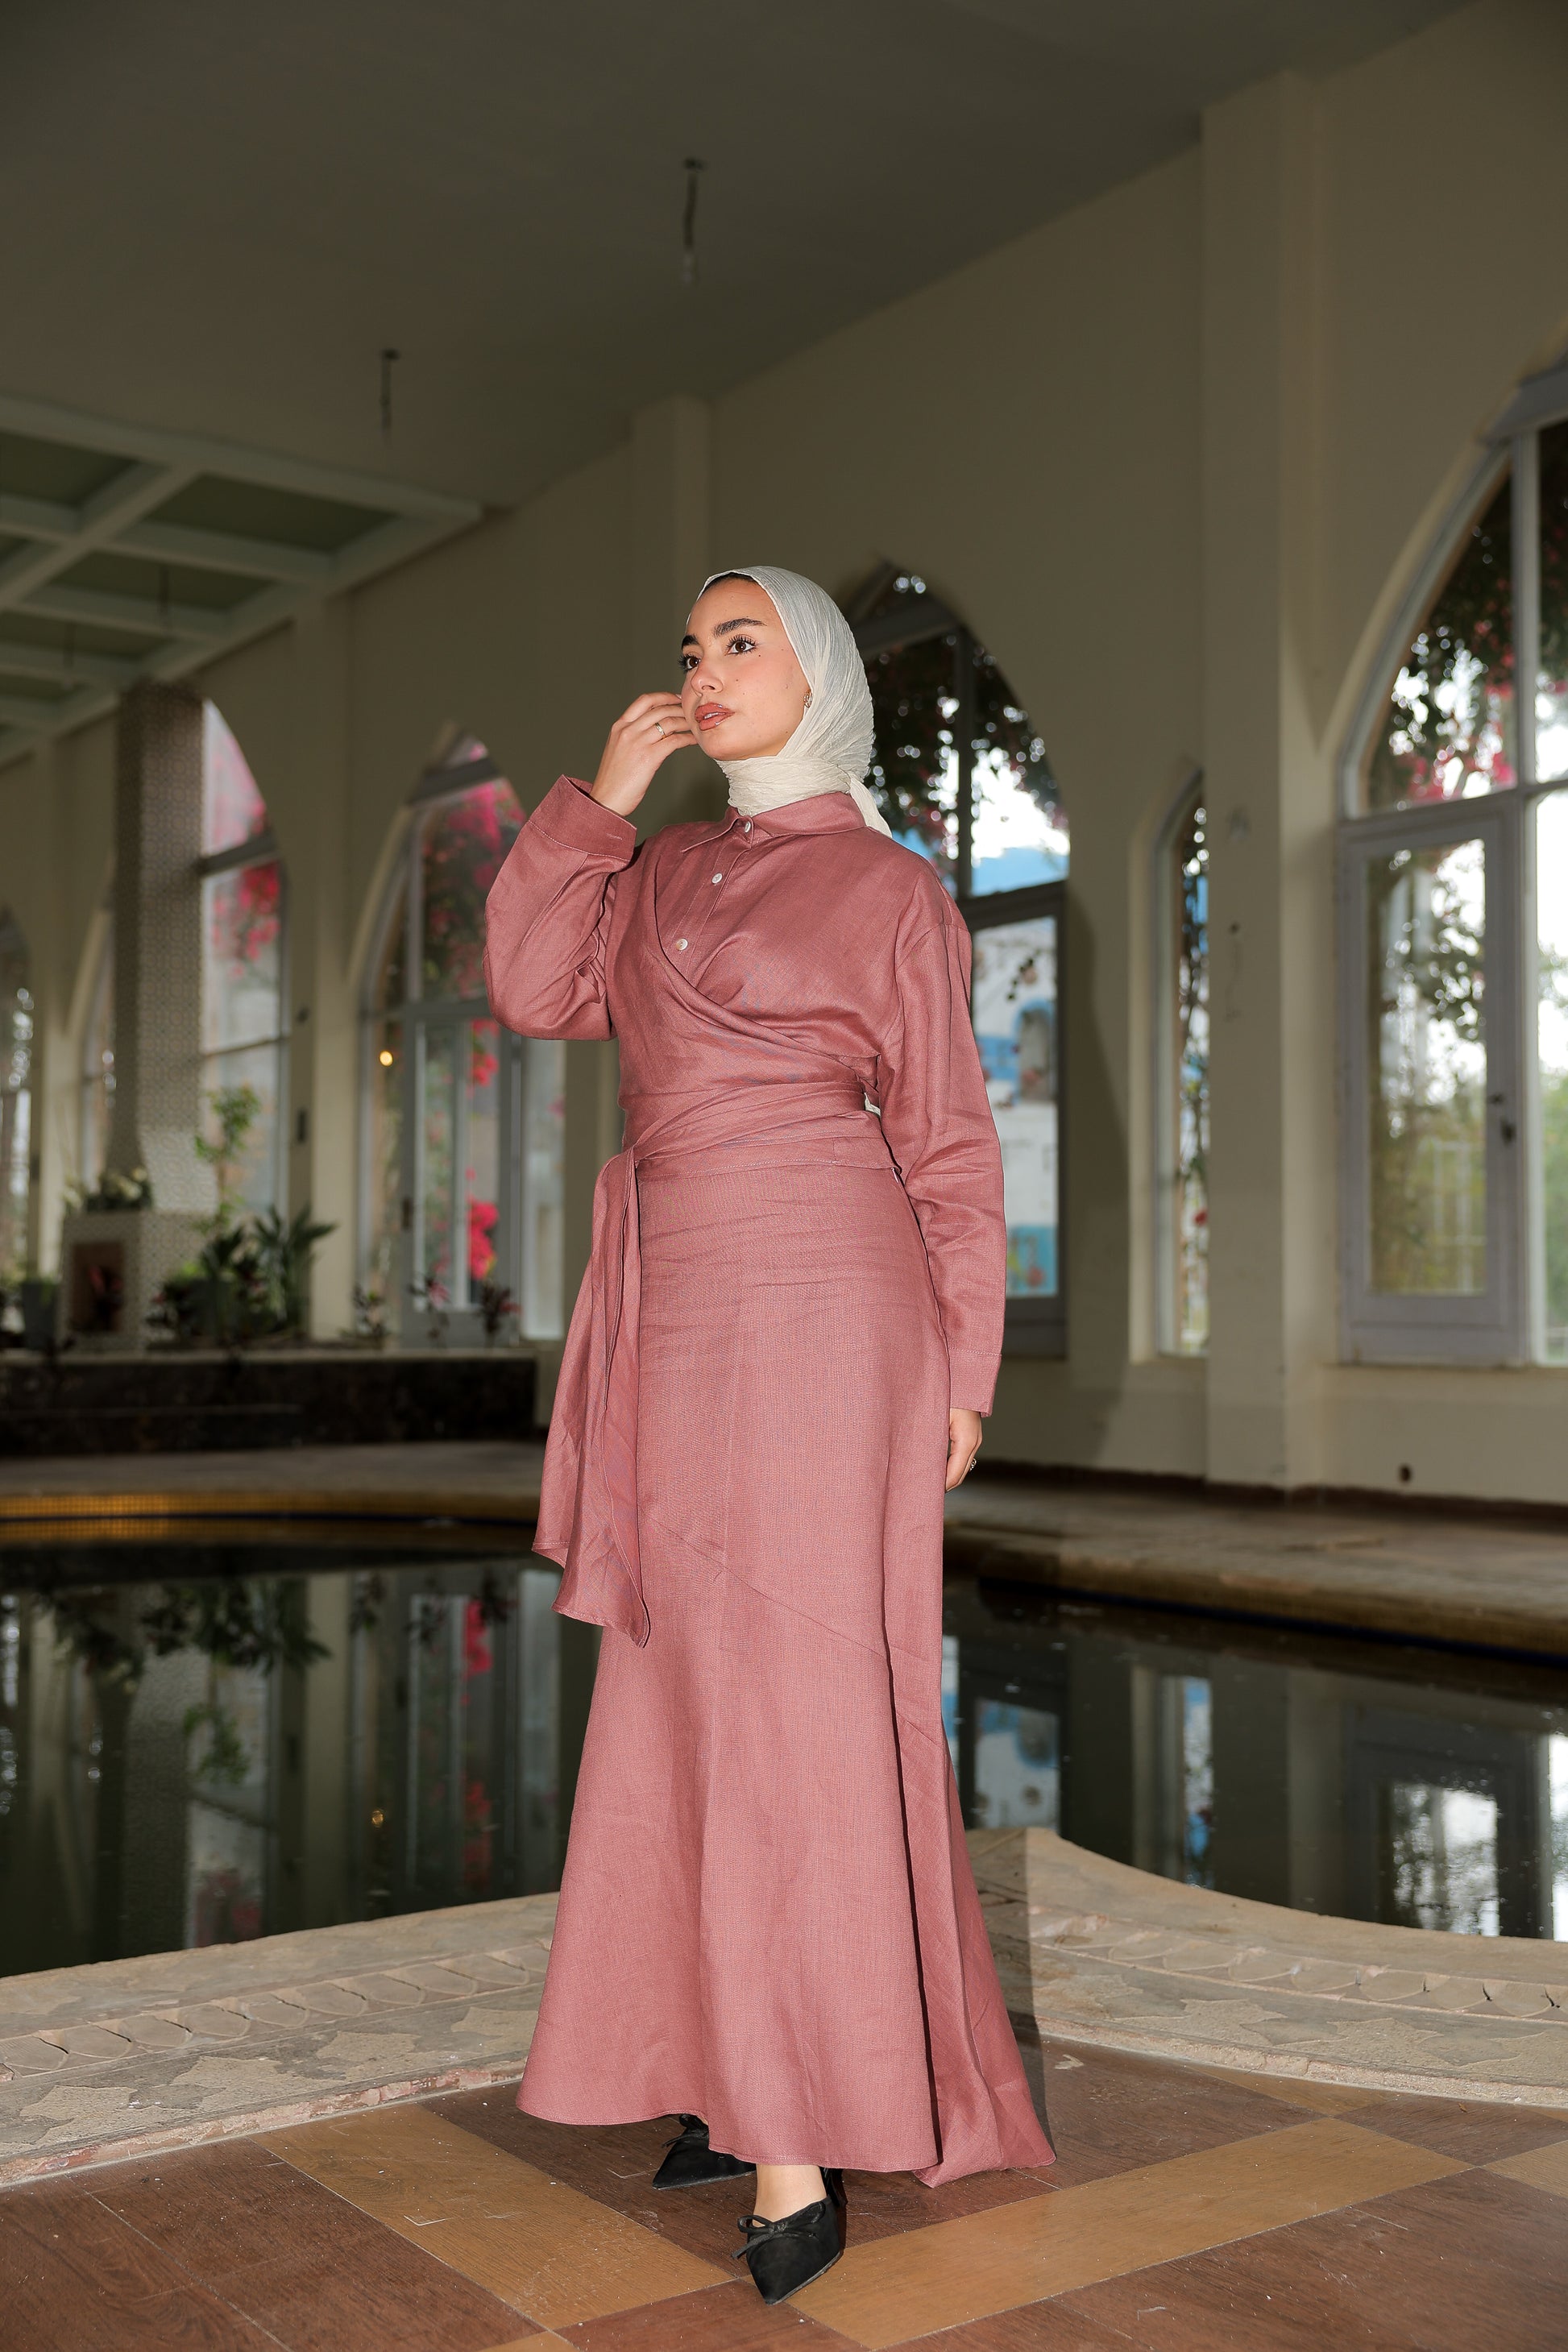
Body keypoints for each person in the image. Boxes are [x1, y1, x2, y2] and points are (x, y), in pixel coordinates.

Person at [483, 565, 1053, 2304]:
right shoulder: (651, 867)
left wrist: (961, 1372)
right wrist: (598, 802)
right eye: (692, 646)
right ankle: (719, 2067)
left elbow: (947, 1144)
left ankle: (796, 2115)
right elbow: (530, 985)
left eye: (743, 642)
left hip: (828, 1308)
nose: (707, 667)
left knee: (800, 1698)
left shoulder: (890, 886)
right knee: (680, 1689)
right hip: (674, 1307)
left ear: (814, 673)